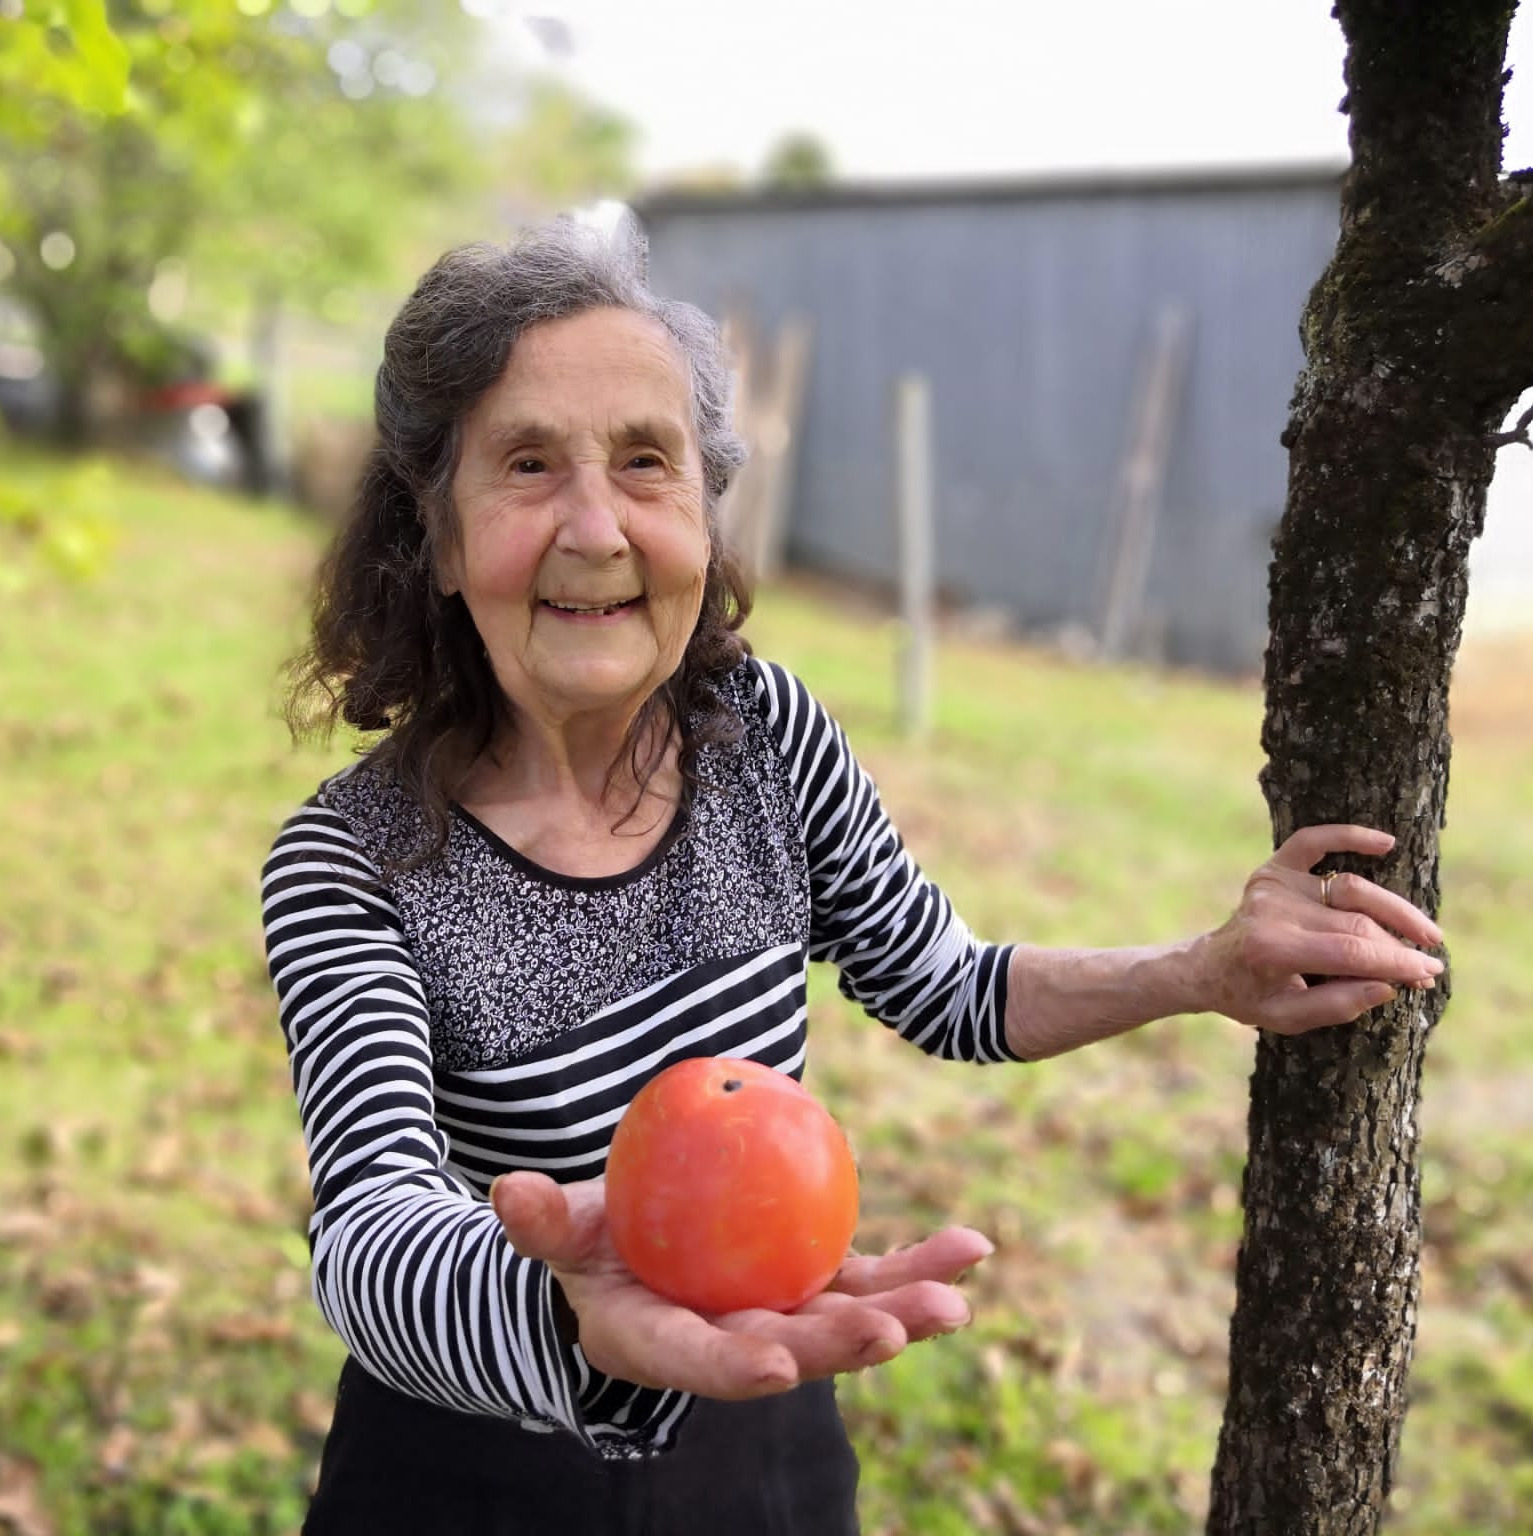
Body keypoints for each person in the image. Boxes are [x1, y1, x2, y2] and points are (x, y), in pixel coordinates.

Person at [260, 221, 1445, 1536]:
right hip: (471, 1463)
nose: (595, 527)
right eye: (527, 465)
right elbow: (372, 1221)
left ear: (701, 519)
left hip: (763, 1432)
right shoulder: (351, 859)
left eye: (644, 464)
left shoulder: (763, 741)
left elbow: (942, 985)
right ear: (432, 534)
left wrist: (1200, 971)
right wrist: (569, 1304)